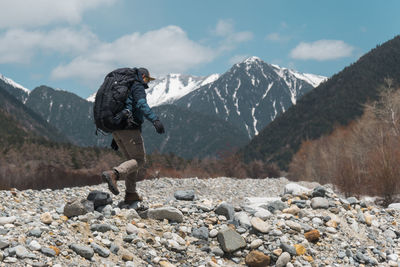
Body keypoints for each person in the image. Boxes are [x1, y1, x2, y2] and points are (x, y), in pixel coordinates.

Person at [101, 67, 165, 208]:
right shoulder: (136, 86)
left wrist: (115, 136)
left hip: (117, 129)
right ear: (142, 76)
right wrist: (155, 120)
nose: (147, 82)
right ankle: (115, 174)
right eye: (147, 79)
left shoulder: (124, 87)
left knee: (132, 162)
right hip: (130, 129)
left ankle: (130, 194)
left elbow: (123, 109)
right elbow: (141, 104)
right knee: (139, 160)